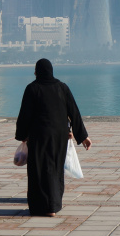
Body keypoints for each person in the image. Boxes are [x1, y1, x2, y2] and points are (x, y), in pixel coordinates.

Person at [15, 58, 92, 217]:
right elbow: (74, 112)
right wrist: (83, 136)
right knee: (54, 169)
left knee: (38, 171)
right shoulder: (62, 88)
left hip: (38, 138)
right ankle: (53, 206)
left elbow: (24, 115)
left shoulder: (32, 88)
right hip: (59, 137)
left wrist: (22, 135)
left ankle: (41, 208)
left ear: (37, 71)